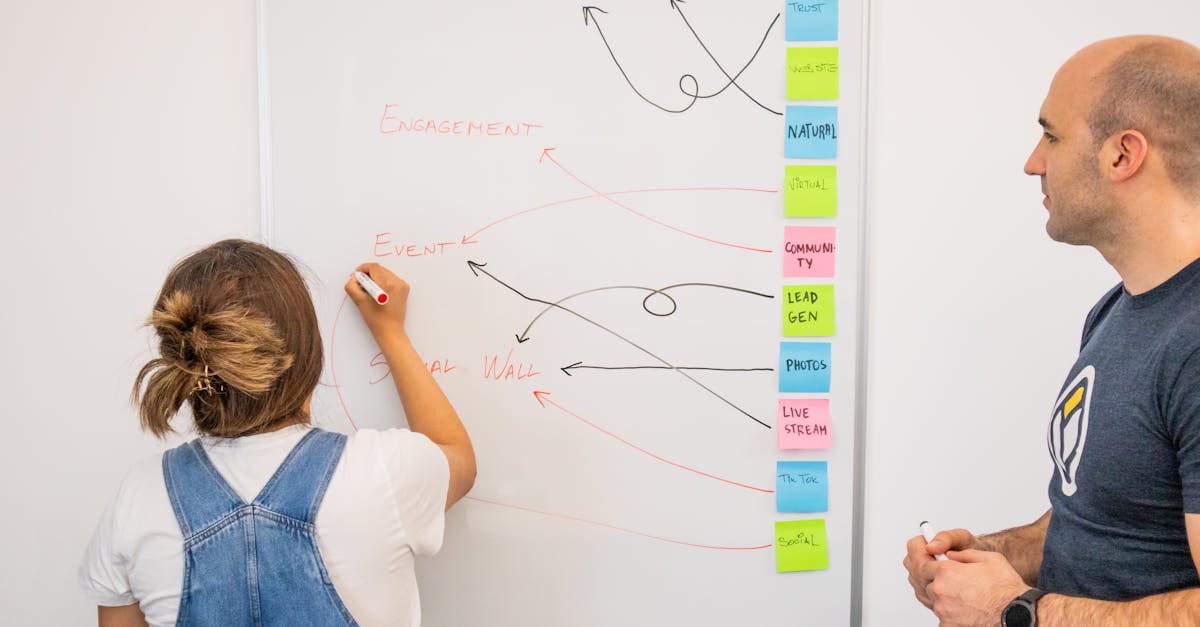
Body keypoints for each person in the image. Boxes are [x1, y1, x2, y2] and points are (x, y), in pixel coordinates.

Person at [903, 35, 1200, 625]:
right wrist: (988, 556)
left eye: (1052, 135)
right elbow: (1101, 519)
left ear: (1123, 155)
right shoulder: (1115, 312)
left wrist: (1015, 611)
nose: (1033, 161)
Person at [78, 239, 476, 626]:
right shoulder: (383, 472)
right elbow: (456, 454)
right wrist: (391, 332)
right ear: (309, 357)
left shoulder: (139, 496)